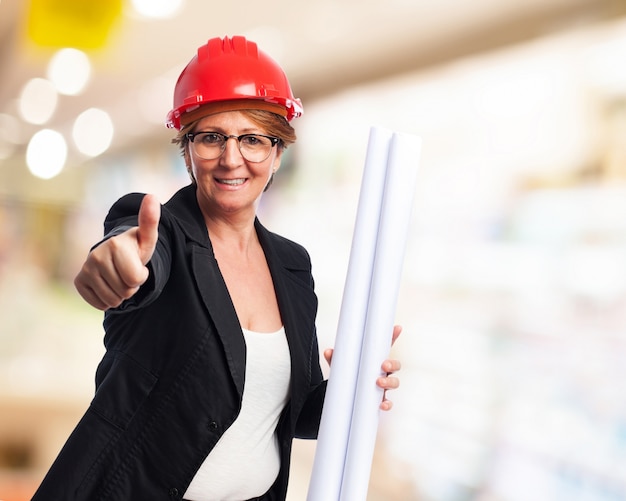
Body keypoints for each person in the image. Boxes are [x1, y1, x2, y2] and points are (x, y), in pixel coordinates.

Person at [32, 35, 401, 501]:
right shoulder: (157, 232)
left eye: (252, 139)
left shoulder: (292, 265)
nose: (231, 158)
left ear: (278, 153)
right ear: (185, 149)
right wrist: (117, 267)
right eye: (211, 138)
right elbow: (133, 254)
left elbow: (292, 413)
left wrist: (354, 386)